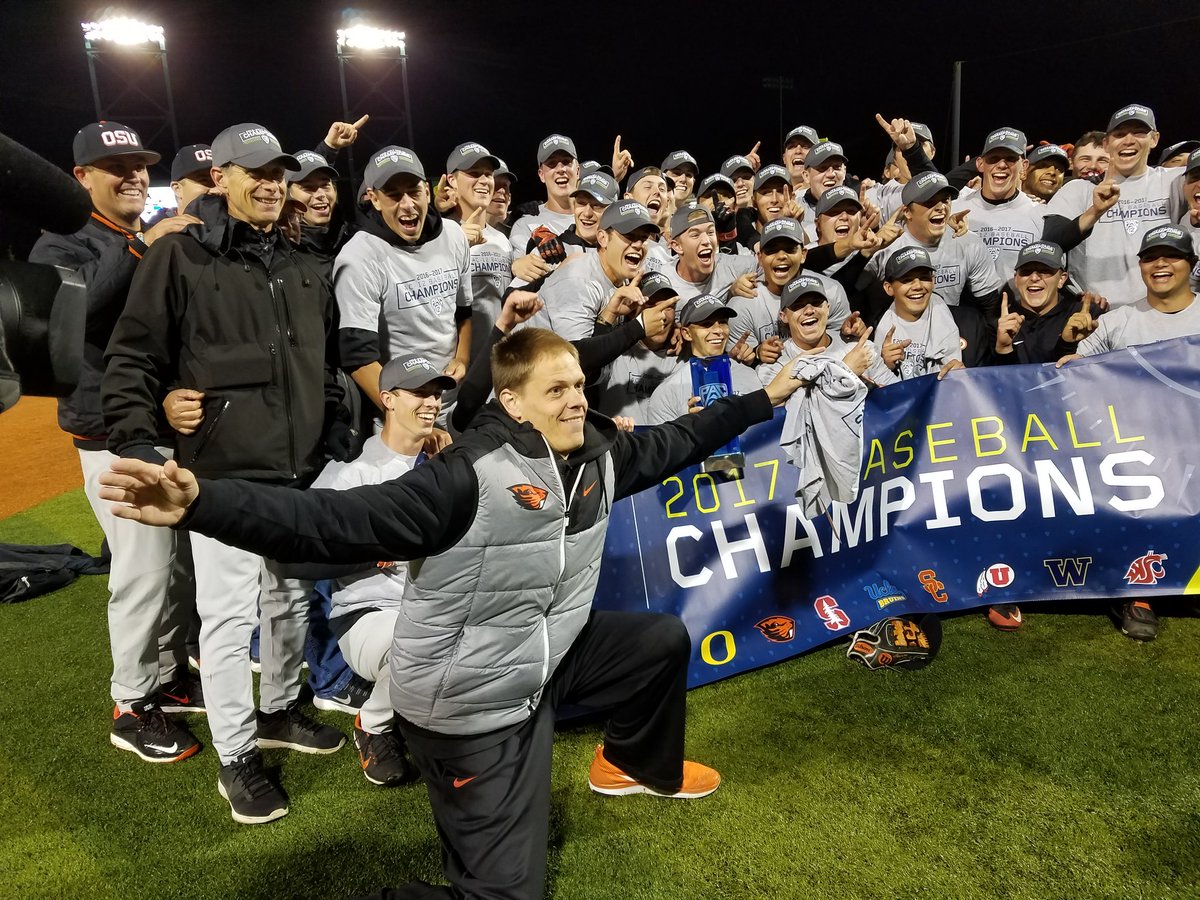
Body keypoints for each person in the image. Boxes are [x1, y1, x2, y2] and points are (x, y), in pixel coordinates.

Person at [99, 326, 812, 896]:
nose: (574, 400)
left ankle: (625, 762)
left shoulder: (597, 457)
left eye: (578, 385)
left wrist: (766, 396)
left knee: (656, 641)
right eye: (555, 389)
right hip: (467, 706)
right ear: (512, 402)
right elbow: (330, 521)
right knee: (503, 894)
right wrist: (203, 504)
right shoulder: (465, 479)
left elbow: (679, 441)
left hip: (539, 660)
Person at [102, 122, 348, 823]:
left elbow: (322, 362)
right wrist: (146, 438)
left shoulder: (304, 256)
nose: (270, 183)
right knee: (231, 614)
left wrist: (329, 427)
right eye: (254, 172)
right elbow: (133, 357)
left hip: (296, 468)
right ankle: (237, 757)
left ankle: (277, 711)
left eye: (278, 173)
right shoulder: (181, 254)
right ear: (222, 179)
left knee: (290, 602)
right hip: (222, 470)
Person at [29, 120, 203, 763]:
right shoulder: (60, 244)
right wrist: (146, 246)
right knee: (143, 570)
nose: (133, 174)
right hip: (107, 432)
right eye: (115, 165)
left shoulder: (132, 235)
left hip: (155, 426)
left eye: (139, 163)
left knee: (176, 565)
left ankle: (166, 678)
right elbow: (71, 324)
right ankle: (132, 705)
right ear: (81, 178)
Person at [312, 353, 457, 786]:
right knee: (418, 642)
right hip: (370, 617)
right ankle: (373, 725)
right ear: (388, 399)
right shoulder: (351, 473)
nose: (431, 403)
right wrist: (370, 549)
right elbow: (298, 550)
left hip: (437, 610)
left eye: (436, 394)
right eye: (420, 393)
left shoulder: (448, 467)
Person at [1057, 224, 1200, 641]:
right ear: (1139, 266)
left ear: (1190, 264)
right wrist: (1069, 349)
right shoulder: (1119, 321)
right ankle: (1138, 593)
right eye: (1151, 257)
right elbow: (1074, 370)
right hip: (1138, 451)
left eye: (1171, 256)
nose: (1160, 264)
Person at [334, 146, 472, 424]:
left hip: (456, 405)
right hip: (399, 416)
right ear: (373, 198)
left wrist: (463, 358)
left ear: (428, 189)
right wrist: (408, 421)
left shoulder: (455, 235)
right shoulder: (359, 256)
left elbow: (463, 311)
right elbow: (358, 359)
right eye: (394, 195)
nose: (407, 204)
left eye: (414, 191)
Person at [1045, 104, 1185, 306]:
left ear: (1154, 139)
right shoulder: (1078, 189)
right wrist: (1095, 212)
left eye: (1138, 132)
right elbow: (1050, 243)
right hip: (1100, 315)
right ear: (1107, 143)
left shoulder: (1175, 181)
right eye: (1119, 134)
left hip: (1164, 311)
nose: (1129, 140)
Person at [530, 199, 659, 340]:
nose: (638, 244)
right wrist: (637, 328)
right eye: (629, 236)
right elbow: (577, 356)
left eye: (644, 237)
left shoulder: (624, 278)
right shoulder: (579, 279)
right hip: (527, 359)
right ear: (603, 238)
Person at [756, 274, 893, 386]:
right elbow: (791, 416)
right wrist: (845, 372)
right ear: (784, 316)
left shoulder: (859, 348)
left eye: (816, 303)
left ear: (828, 308)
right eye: (798, 305)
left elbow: (896, 395)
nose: (809, 310)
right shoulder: (774, 365)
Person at [645, 294, 762, 424]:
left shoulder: (749, 375)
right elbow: (661, 443)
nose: (718, 330)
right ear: (687, 333)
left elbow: (764, 434)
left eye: (723, 322)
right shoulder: (667, 392)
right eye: (706, 324)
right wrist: (690, 426)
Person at [952, 127, 1044, 282]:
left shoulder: (1040, 214)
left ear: (1024, 165)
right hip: (966, 305)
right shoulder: (956, 210)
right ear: (980, 164)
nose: (1001, 165)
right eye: (993, 158)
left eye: (1010, 158)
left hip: (1016, 305)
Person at [872, 246, 965, 381]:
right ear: (889, 288)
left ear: (933, 281)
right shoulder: (877, 324)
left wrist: (960, 376)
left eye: (924, 278)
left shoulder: (953, 322)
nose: (917, 286)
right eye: (907, 280)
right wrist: (885, 365)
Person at [508, 133, 579, 261]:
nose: (560, 169)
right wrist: (519, 266)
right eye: (552, 164)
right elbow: (523, 274)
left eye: (566, 162)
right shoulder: (526, 225)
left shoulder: (595, 219)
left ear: (578, 171)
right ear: (541, 175)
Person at [664, 205, 757, 302]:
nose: (706, 241)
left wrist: (734, 292)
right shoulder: (664, 282)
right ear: (677, 246)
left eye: (710, 232)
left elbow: (767, 264)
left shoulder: (731, 266)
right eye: (695, 235)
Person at [782, 124, 820, 194]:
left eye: (805, 146)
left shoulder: (831, 192)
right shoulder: (776, 198)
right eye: (792, 146)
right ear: (784, 158)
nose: (798, 151)